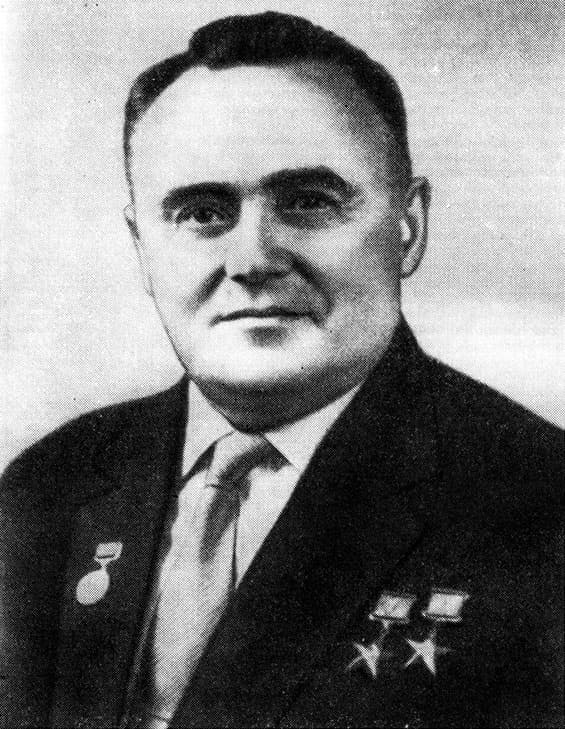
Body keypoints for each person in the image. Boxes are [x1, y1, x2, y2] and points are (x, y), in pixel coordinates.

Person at [1, 11, 562, 729]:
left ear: (408, 227)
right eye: (202, 213)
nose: (252, 260)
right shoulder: (48, 488)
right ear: (142, 247)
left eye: (307, 202)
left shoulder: (539, 506)